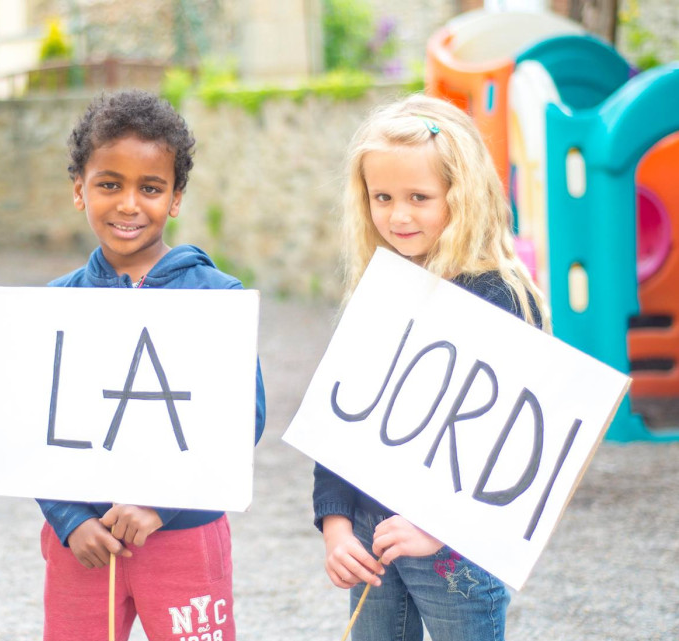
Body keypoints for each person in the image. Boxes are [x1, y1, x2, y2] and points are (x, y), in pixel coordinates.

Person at [313, 94, 546, 641]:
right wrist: (335, 523)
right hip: (371, 534)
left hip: (455, 550)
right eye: (382, 197)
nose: (398, 215)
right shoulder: (378, 288)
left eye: (419, 197)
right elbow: (340, 419)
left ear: (460, 196)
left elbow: (510, 439)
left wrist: (438, 525)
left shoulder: (500, 297)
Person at [36, 89, 267, 641]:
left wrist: (161, 505)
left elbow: (242, 420)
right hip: (84, 543)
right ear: (79, 189)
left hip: (185, 535)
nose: (129, 204)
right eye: (109, 184)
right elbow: (31, 435)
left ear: (177, 197)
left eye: (151, 188)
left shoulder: (217, 297)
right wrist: (70, 520)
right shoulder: (52, 307)